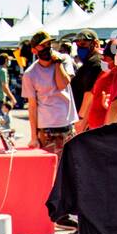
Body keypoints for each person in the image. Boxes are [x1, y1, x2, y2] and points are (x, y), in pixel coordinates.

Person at [21, 30, 78, 159]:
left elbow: (62, 84)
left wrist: (57, 63)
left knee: (69, 167)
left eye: (49, 44)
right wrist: (34, 137)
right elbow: (32, 106)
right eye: (43, 46)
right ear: (34, 50)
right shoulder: (30, 74)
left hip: (66, 124)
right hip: (46, 128)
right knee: (50, 168)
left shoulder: (63, 59)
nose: (47, 48)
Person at [70, 30, 106, 115]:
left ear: (95, 43)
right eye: (78, 45)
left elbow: (89, 94)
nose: (80, 49)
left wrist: (81, 117)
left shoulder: (95, 63)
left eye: (83, 44)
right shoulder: (88, 63)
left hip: (87, 116)